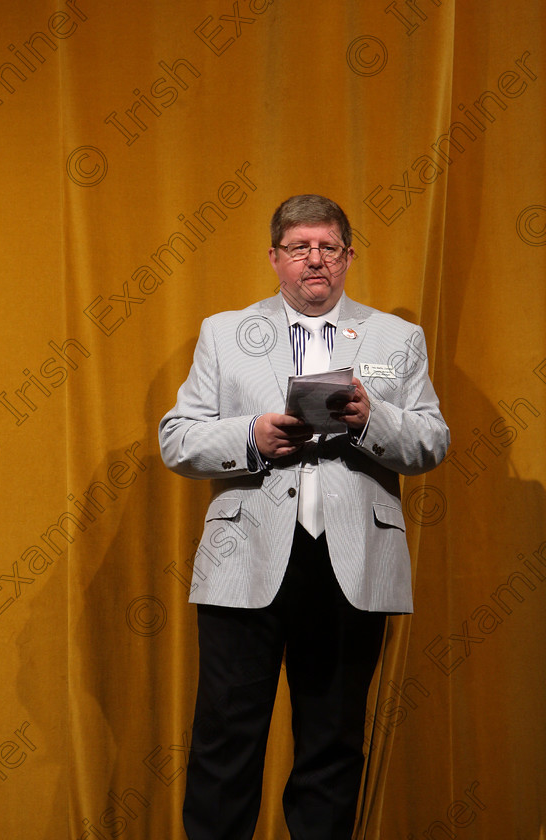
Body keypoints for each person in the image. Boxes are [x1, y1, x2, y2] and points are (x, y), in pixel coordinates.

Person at [159, 194, 450, 839]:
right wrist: (250, 439)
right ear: (275, 258)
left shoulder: (396, 339)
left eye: (327, 247)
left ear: (347, 257)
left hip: (352, 565)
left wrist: (373, 417)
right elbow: (177, 438)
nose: (313, 260)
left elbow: (431, 442)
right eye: (299, 248)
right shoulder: (225, 332)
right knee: (225, 744)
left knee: (334, 744)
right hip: (247, 569)